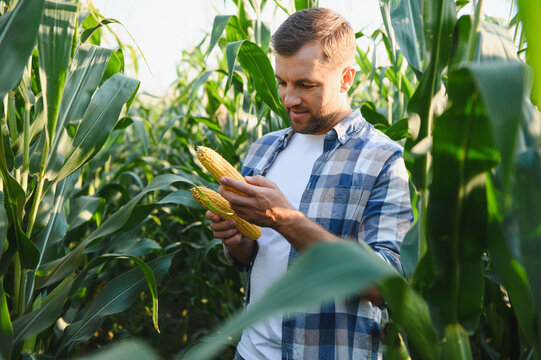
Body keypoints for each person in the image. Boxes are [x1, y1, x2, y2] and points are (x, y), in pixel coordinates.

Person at [205, 7, 413, 360]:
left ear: (346, 78)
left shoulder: (383, 160)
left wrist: (285, 219)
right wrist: (237, 242)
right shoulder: (264, 150)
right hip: (251, 352)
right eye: (282, 82)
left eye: (305, 85)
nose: (288, 99)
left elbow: (388, 285)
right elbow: (254, 258)